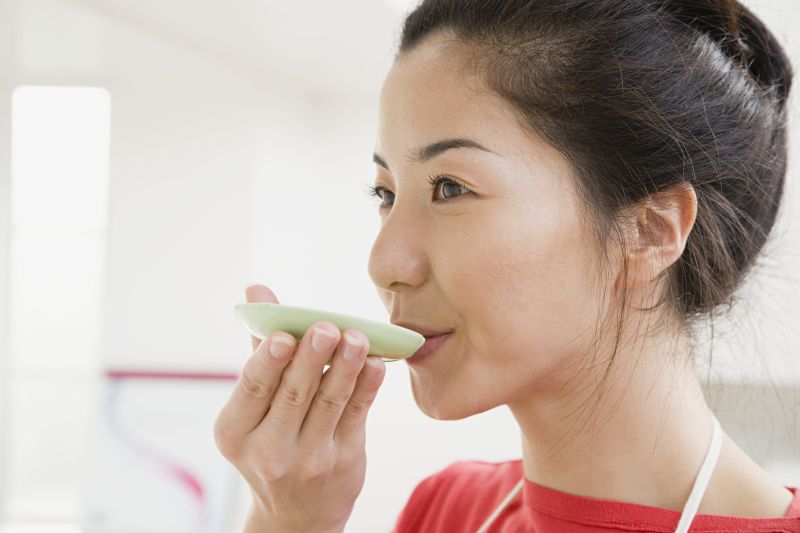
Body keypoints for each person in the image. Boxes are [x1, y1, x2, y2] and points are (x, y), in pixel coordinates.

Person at [213, 0, 800, 531]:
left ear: (647, 232)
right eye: (385, 194)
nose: (384, 262)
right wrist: (288, 517)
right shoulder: (446, 510)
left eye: (449, 188)